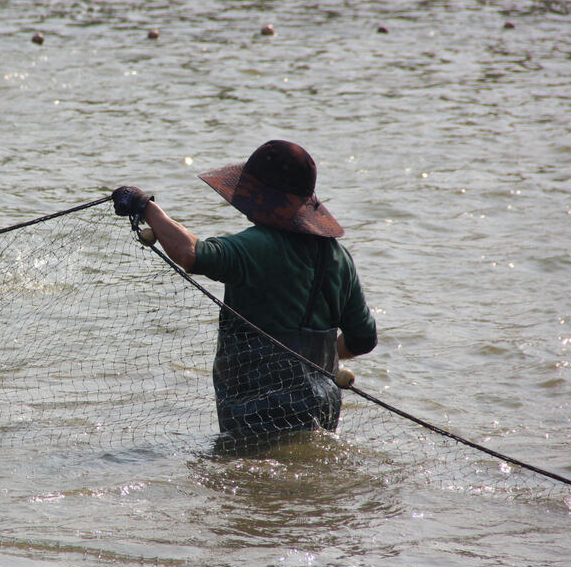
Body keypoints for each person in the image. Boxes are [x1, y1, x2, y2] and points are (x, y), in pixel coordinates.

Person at [112, 140, 377, 439]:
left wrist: (146, 207)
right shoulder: (339, 257)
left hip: (257, 414)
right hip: (322, 406)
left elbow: (191, 253)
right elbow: (364, 339)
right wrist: (319, 362)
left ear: (261, 198)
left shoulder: (256, 246)